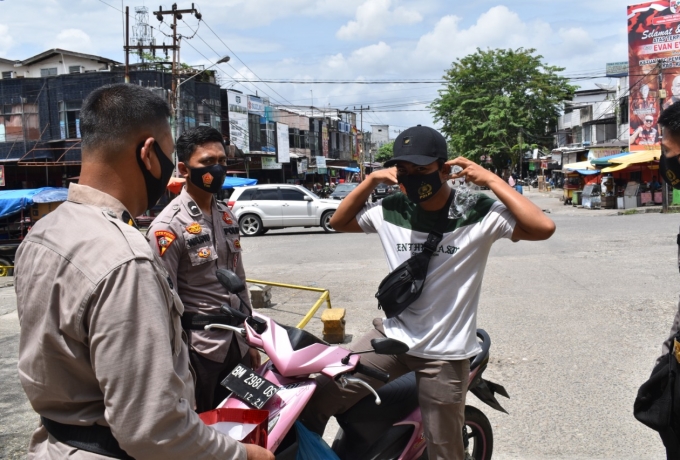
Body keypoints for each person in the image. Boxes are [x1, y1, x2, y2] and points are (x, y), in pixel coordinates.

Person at [14, 84, 272, 460]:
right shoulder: (126, 257)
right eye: (169, 154)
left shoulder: (44, 234)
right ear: (149, 154)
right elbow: (154, 428)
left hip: (59, 443)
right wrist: (243, 455)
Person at [299, 125, 555, 459]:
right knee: (315, 400)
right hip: (392, 339)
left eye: (421, 170)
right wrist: (371, 181)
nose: (411, 178)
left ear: (444, 169)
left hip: (445, 352)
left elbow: (543, 228)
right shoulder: (391, 209)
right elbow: (339, 221)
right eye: (404, 170)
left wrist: (492, 180)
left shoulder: (475, 211)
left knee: (445, 450)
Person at [147, 126, 259, 413]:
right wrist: (175, 366)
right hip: (201, 351)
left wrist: (253, 341)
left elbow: (240, 279)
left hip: (238, 343)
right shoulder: (167, 227)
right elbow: (162, 305)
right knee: (208, 429)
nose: (218, 169)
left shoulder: (226, 214)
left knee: (245, 420)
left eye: (222, 161)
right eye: (208, 162)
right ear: (184, 169)